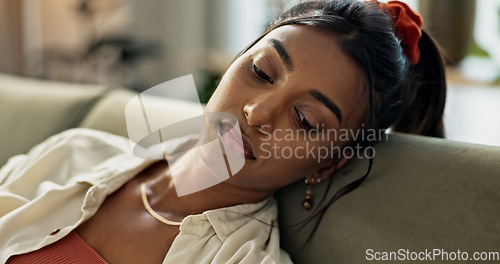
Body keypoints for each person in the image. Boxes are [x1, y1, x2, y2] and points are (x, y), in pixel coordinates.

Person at [0, 0, 446, 263]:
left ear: (329, 163)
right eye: (261, 71)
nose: (256, 113)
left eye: (306, 120)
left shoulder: (240, 258)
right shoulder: (71, 151)